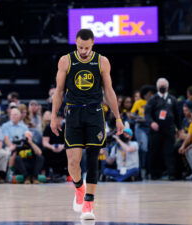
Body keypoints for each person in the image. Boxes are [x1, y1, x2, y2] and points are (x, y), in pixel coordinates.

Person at [50, 29, 124, 220]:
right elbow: (58, 91)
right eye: (80, 47)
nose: (83, 51)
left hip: (95, 113)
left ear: (93, 44)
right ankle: (79, 189)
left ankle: (89, 203)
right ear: (75, 43)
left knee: (92, 158)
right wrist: (53, 116)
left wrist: (117, 117)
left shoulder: (102, 61)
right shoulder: (65, 60)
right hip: (73, 112)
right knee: (73, 162)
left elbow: (109, 90)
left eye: (87, 47)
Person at [145, 78, 180, 180]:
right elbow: (147, 114)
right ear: (157, 87)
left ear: (167, 87)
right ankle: (154, 173)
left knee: (169, 152)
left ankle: (171, 173)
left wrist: (180, 128)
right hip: (156, 130)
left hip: (169, 130)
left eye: (164, 86)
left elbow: (177, 116)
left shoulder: (173, 99)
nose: (162, 88)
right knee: (155, 151)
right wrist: (151, 122)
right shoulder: (152, 99)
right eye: (161, 86)